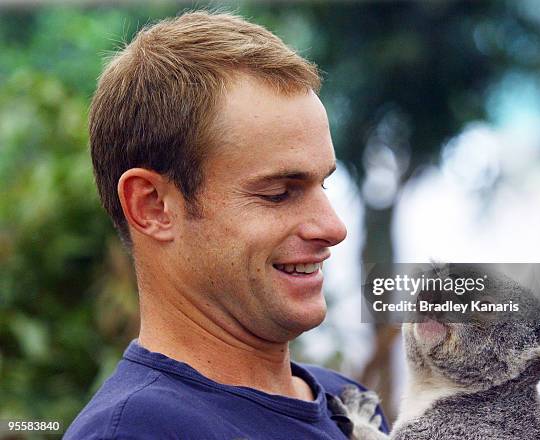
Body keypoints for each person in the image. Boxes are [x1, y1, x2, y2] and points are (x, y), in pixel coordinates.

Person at [64, 10, 388, 440]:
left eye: (324, 184)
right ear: (153, 206)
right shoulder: (137, 432)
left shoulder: (350, 407)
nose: (332, 227)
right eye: (278, 193)